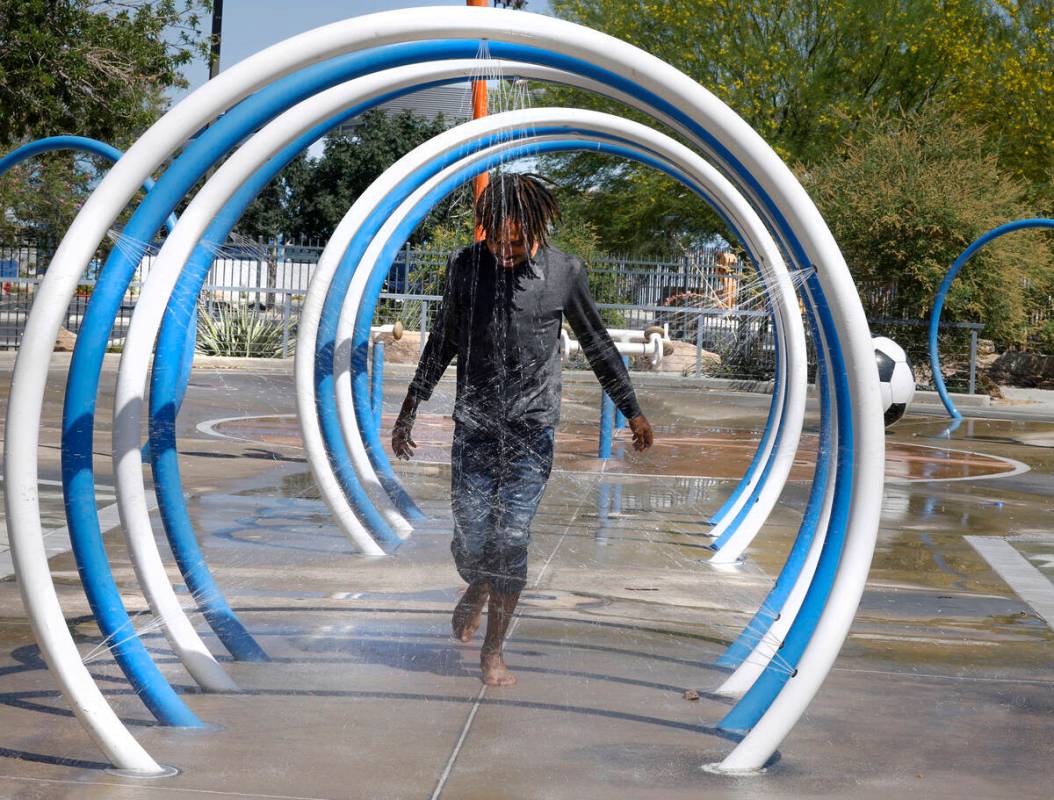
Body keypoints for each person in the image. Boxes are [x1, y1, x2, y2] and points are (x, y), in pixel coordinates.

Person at [392, 173, 653, 687]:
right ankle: (478, 584)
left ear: (535, 229)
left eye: (516, 242)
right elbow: (443, 338)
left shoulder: (564, 272)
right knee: (469, 541)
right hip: (475, 425)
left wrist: (632, 409)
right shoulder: (466, 267)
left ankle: (493, 650)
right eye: (496, 240)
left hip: (532, 430)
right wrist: (409, 408)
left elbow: (599, 345)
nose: (506, 252)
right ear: (483, 230)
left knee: (511, 535)